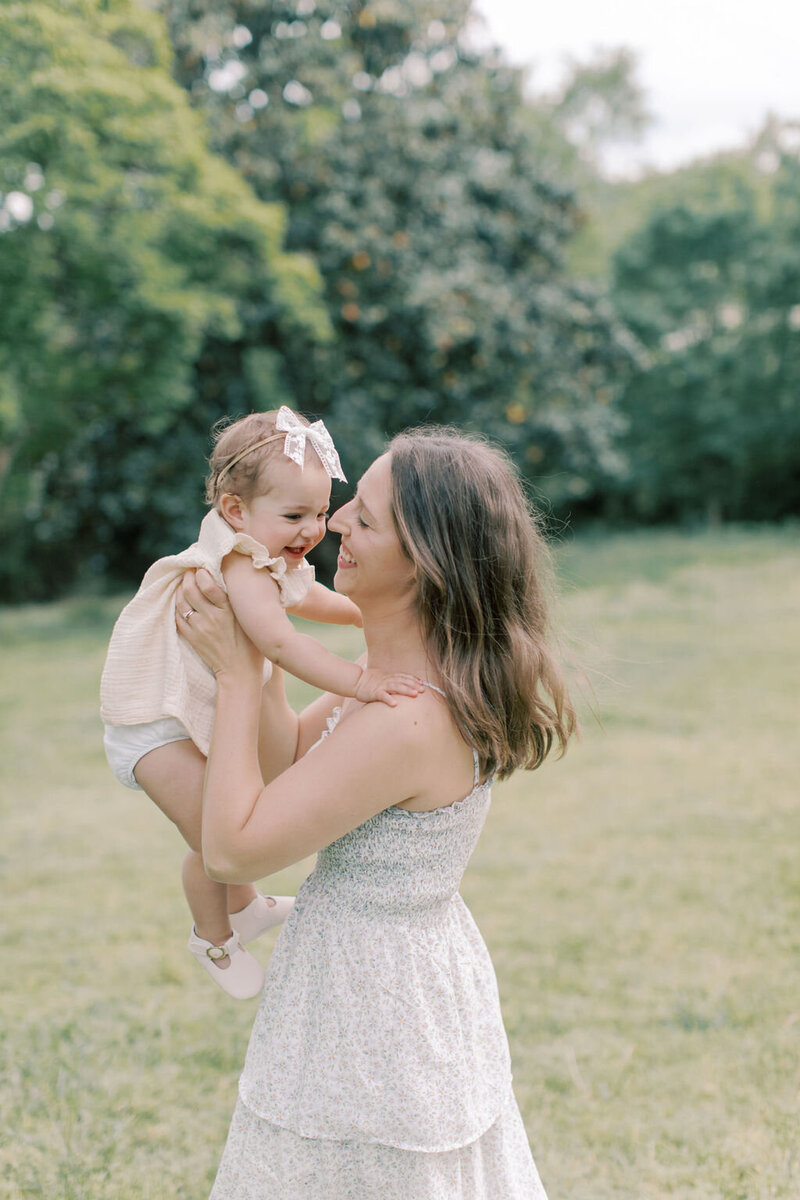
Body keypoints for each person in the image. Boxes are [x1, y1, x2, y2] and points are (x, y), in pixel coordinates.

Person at [177, 427, 576, 1199]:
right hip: (380, 974)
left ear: (424, 558)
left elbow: (232, 851)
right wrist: (263, 653)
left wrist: (231, 676)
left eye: (365, 515)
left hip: (376, 1009)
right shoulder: (394, 673)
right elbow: (291, 760)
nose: (334, 525)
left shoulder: (408, 719)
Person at [100, 407, 422, 999]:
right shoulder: (239, 565)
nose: (315, 530)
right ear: (235, 511)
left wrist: (369, 612)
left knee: (229, 814)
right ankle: (214, 938)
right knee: (214, 839)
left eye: (322, 512)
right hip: (150, 731)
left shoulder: (267, 555)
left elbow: (311, 599)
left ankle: (244, 910)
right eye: (296, 515)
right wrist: (361, 683)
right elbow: (280, 640)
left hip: (177, 720)